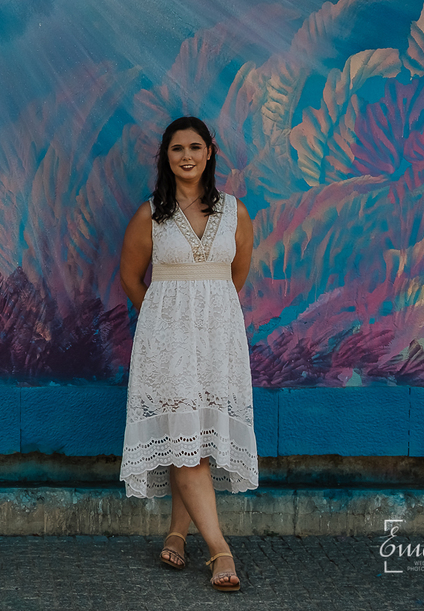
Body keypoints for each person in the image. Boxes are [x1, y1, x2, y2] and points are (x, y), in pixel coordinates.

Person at [118, 116, 257, 592]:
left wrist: (210, 314)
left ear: (210, 151)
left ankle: (177, 531)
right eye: (177, 149)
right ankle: (221, 549)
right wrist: (160, 319)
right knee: (183, 433)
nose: (186, 156)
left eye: (195, 147)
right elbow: (131, 278)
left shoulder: (235, 213)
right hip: (167, 344)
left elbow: (236, 277)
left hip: (220, 341)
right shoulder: (150, 215)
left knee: (193, 437)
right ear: (166, 156)